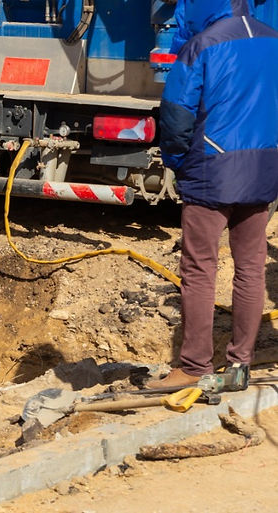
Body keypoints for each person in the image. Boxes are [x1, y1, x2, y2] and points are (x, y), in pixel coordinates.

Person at [149, 0, 278, 389]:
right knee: (252, 267)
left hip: (211, 171)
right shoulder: (273, 39)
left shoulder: (202, 45)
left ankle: (193, 366)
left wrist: (175, 161)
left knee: (200, 268)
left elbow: (176, 113)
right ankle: (240, 364)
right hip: (262, 171)